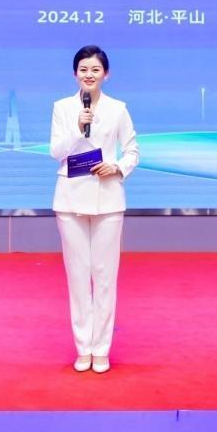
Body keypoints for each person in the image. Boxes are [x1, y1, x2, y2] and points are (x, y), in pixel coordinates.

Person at [50, 44, 139, 374]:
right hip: (70, 198)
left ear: (106, 74)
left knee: (104, 276)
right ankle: (82, 347)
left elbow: (132, 150)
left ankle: (101, 348)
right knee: (77, 275)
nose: (89, 75)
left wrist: (116, 167)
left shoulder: (118, 109)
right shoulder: (62, 107)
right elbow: (55, 151)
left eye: (95, 70)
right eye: (83, 69)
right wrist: (77, 126)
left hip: (108, 199)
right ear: (75, 74)